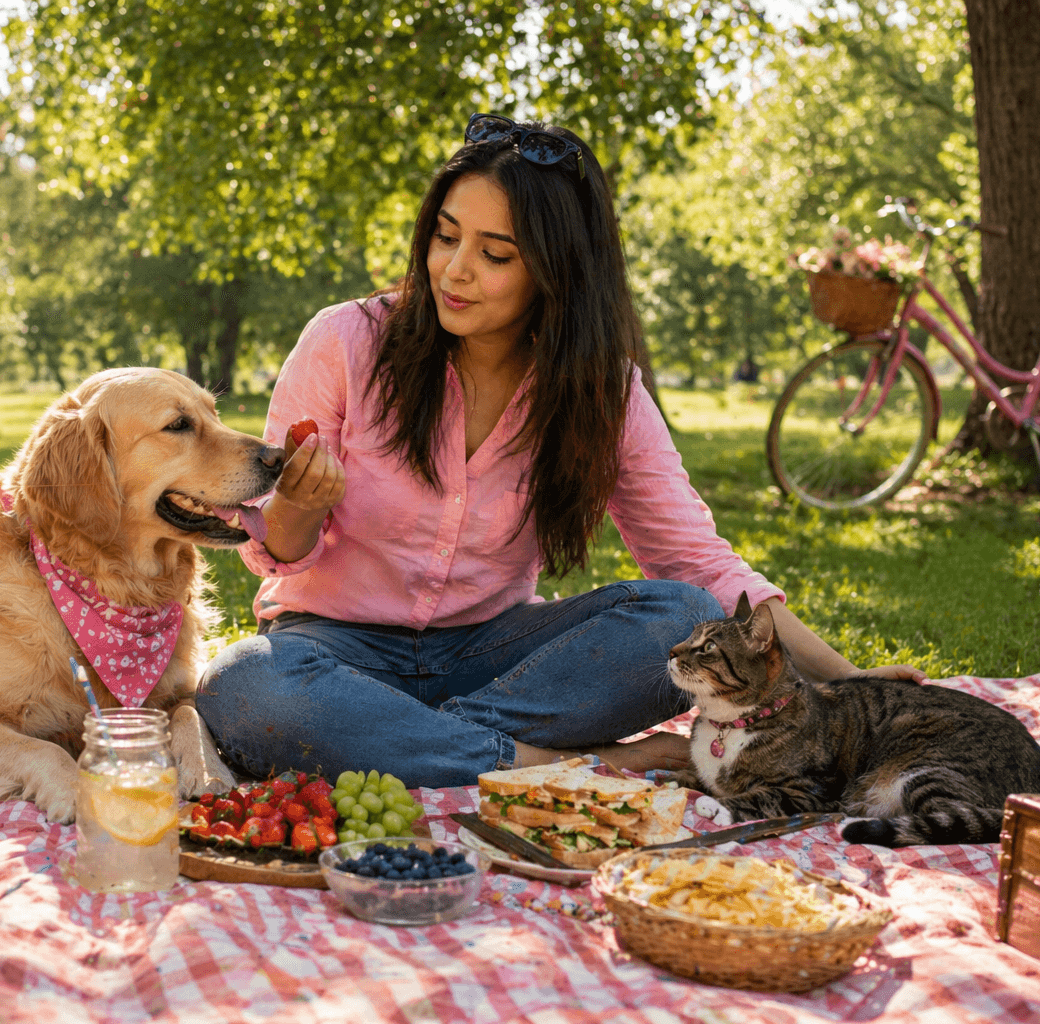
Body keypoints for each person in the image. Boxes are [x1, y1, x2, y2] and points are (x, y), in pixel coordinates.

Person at [195, 114, 923, 789]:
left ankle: (423, 747)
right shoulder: (346, 343)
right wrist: (296, 501)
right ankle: (561, 763)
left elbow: (698, 563)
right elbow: (275, 550)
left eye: (496, 254)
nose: (454, 270)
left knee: (680, 614)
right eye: (446, 237)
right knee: (247, 687)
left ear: (556, 269)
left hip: (501, 663)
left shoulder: (600, 391)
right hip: (333, 651)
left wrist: (850, 685)